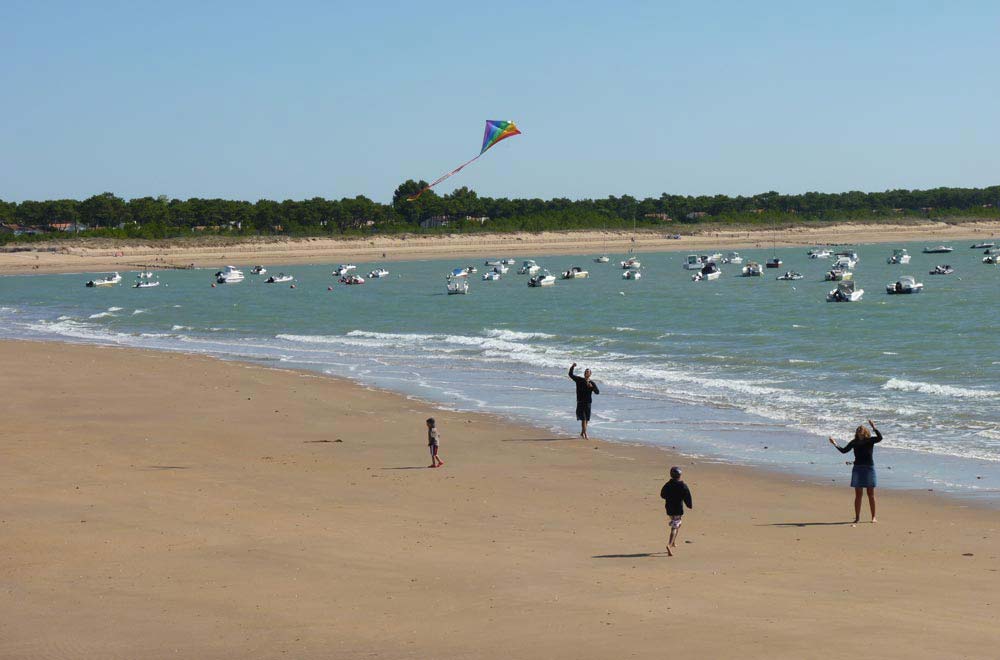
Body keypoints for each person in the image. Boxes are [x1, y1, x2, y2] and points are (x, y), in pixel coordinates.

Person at [830, 419, 883, 523]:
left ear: (865, 432)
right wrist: (835, 443)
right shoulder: (854, 442)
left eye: (862, 430)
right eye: (858, 431)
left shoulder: (870, 440)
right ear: (857, 433)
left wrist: (874, 427)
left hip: (869, 468)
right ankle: (857, 517)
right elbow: (844, 451)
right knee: (858, 495)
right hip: (858, 469)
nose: (860, 432)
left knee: (870, 494)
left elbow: (880, 438)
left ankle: (873, 517)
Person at [659, 467, 693, 556]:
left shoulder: (668, 484)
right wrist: (689, 505)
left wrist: (669, 497)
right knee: (675, 527)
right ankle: (669, 545)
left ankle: (673, 542)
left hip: (669, 508)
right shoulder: (683, 486)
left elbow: (662, 494)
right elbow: (687, 496)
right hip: (677, 509)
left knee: (677, 524)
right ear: (680, 476)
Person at [568, 363, 600, 439]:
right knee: (583, 419)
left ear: (590, 374)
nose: (586, 373)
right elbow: (570, 374)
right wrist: (572, 367)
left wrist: (592, 387)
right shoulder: (579, 380)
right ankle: (585, 433)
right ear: (584, 374)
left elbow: (597, 392)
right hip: (580, 402)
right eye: (585, 372)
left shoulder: (592, 383)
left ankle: (582, 433)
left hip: (588, 403)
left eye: (588, 372)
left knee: (587, 419)